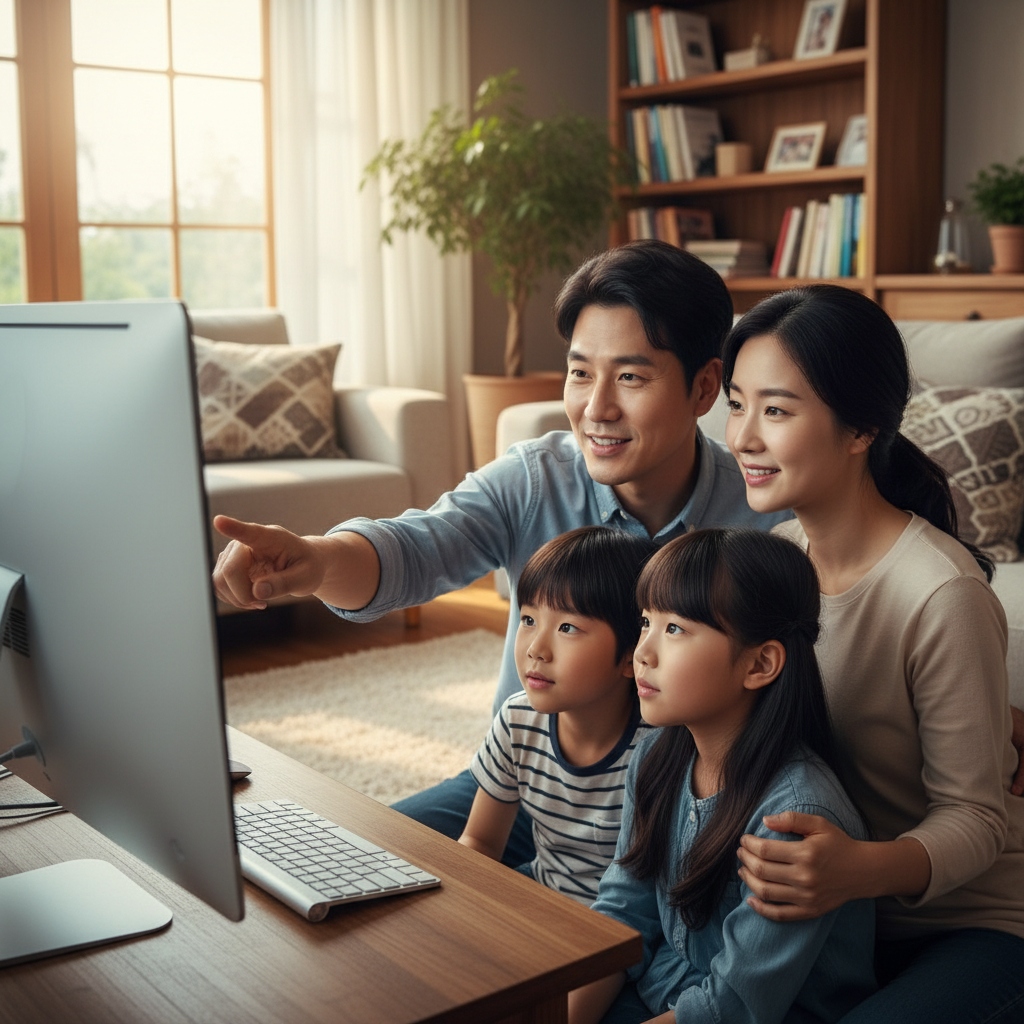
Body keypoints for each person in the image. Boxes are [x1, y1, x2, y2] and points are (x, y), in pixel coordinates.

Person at [212, 240, 791, 866]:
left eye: (630, 376)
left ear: (704, 386)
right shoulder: (535, 478)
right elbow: (419, 545)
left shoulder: (765, 518)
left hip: (682, 816)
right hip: (530, 785)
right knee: (350, 862)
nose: (596, 407)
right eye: (579, 372)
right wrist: (320, 560)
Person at [721, 284, 1024, 1023]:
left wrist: (855, 871)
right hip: (834, 919)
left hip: (971, 924)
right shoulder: (778, 557)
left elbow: (977, 821)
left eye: (777, 410)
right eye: (736, 402)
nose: (744, 437)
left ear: (860, 429)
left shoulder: (940, 592)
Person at [569, 529, 876, 1024]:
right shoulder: (654, 759)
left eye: (675, 630)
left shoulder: (795, 817)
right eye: (646, 621)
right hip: (666, 993)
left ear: (760, 664)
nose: (641, 652)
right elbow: (624, 911)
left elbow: (731, 1007)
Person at [460, 526, 655, 905]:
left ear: (632, 655)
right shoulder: (518, 721)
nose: (536, 648)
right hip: (540, 899)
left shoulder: (659, 746)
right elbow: (480, 841)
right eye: (529, 619)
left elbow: (651, 896)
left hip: (621, 926)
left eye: (567, 627)